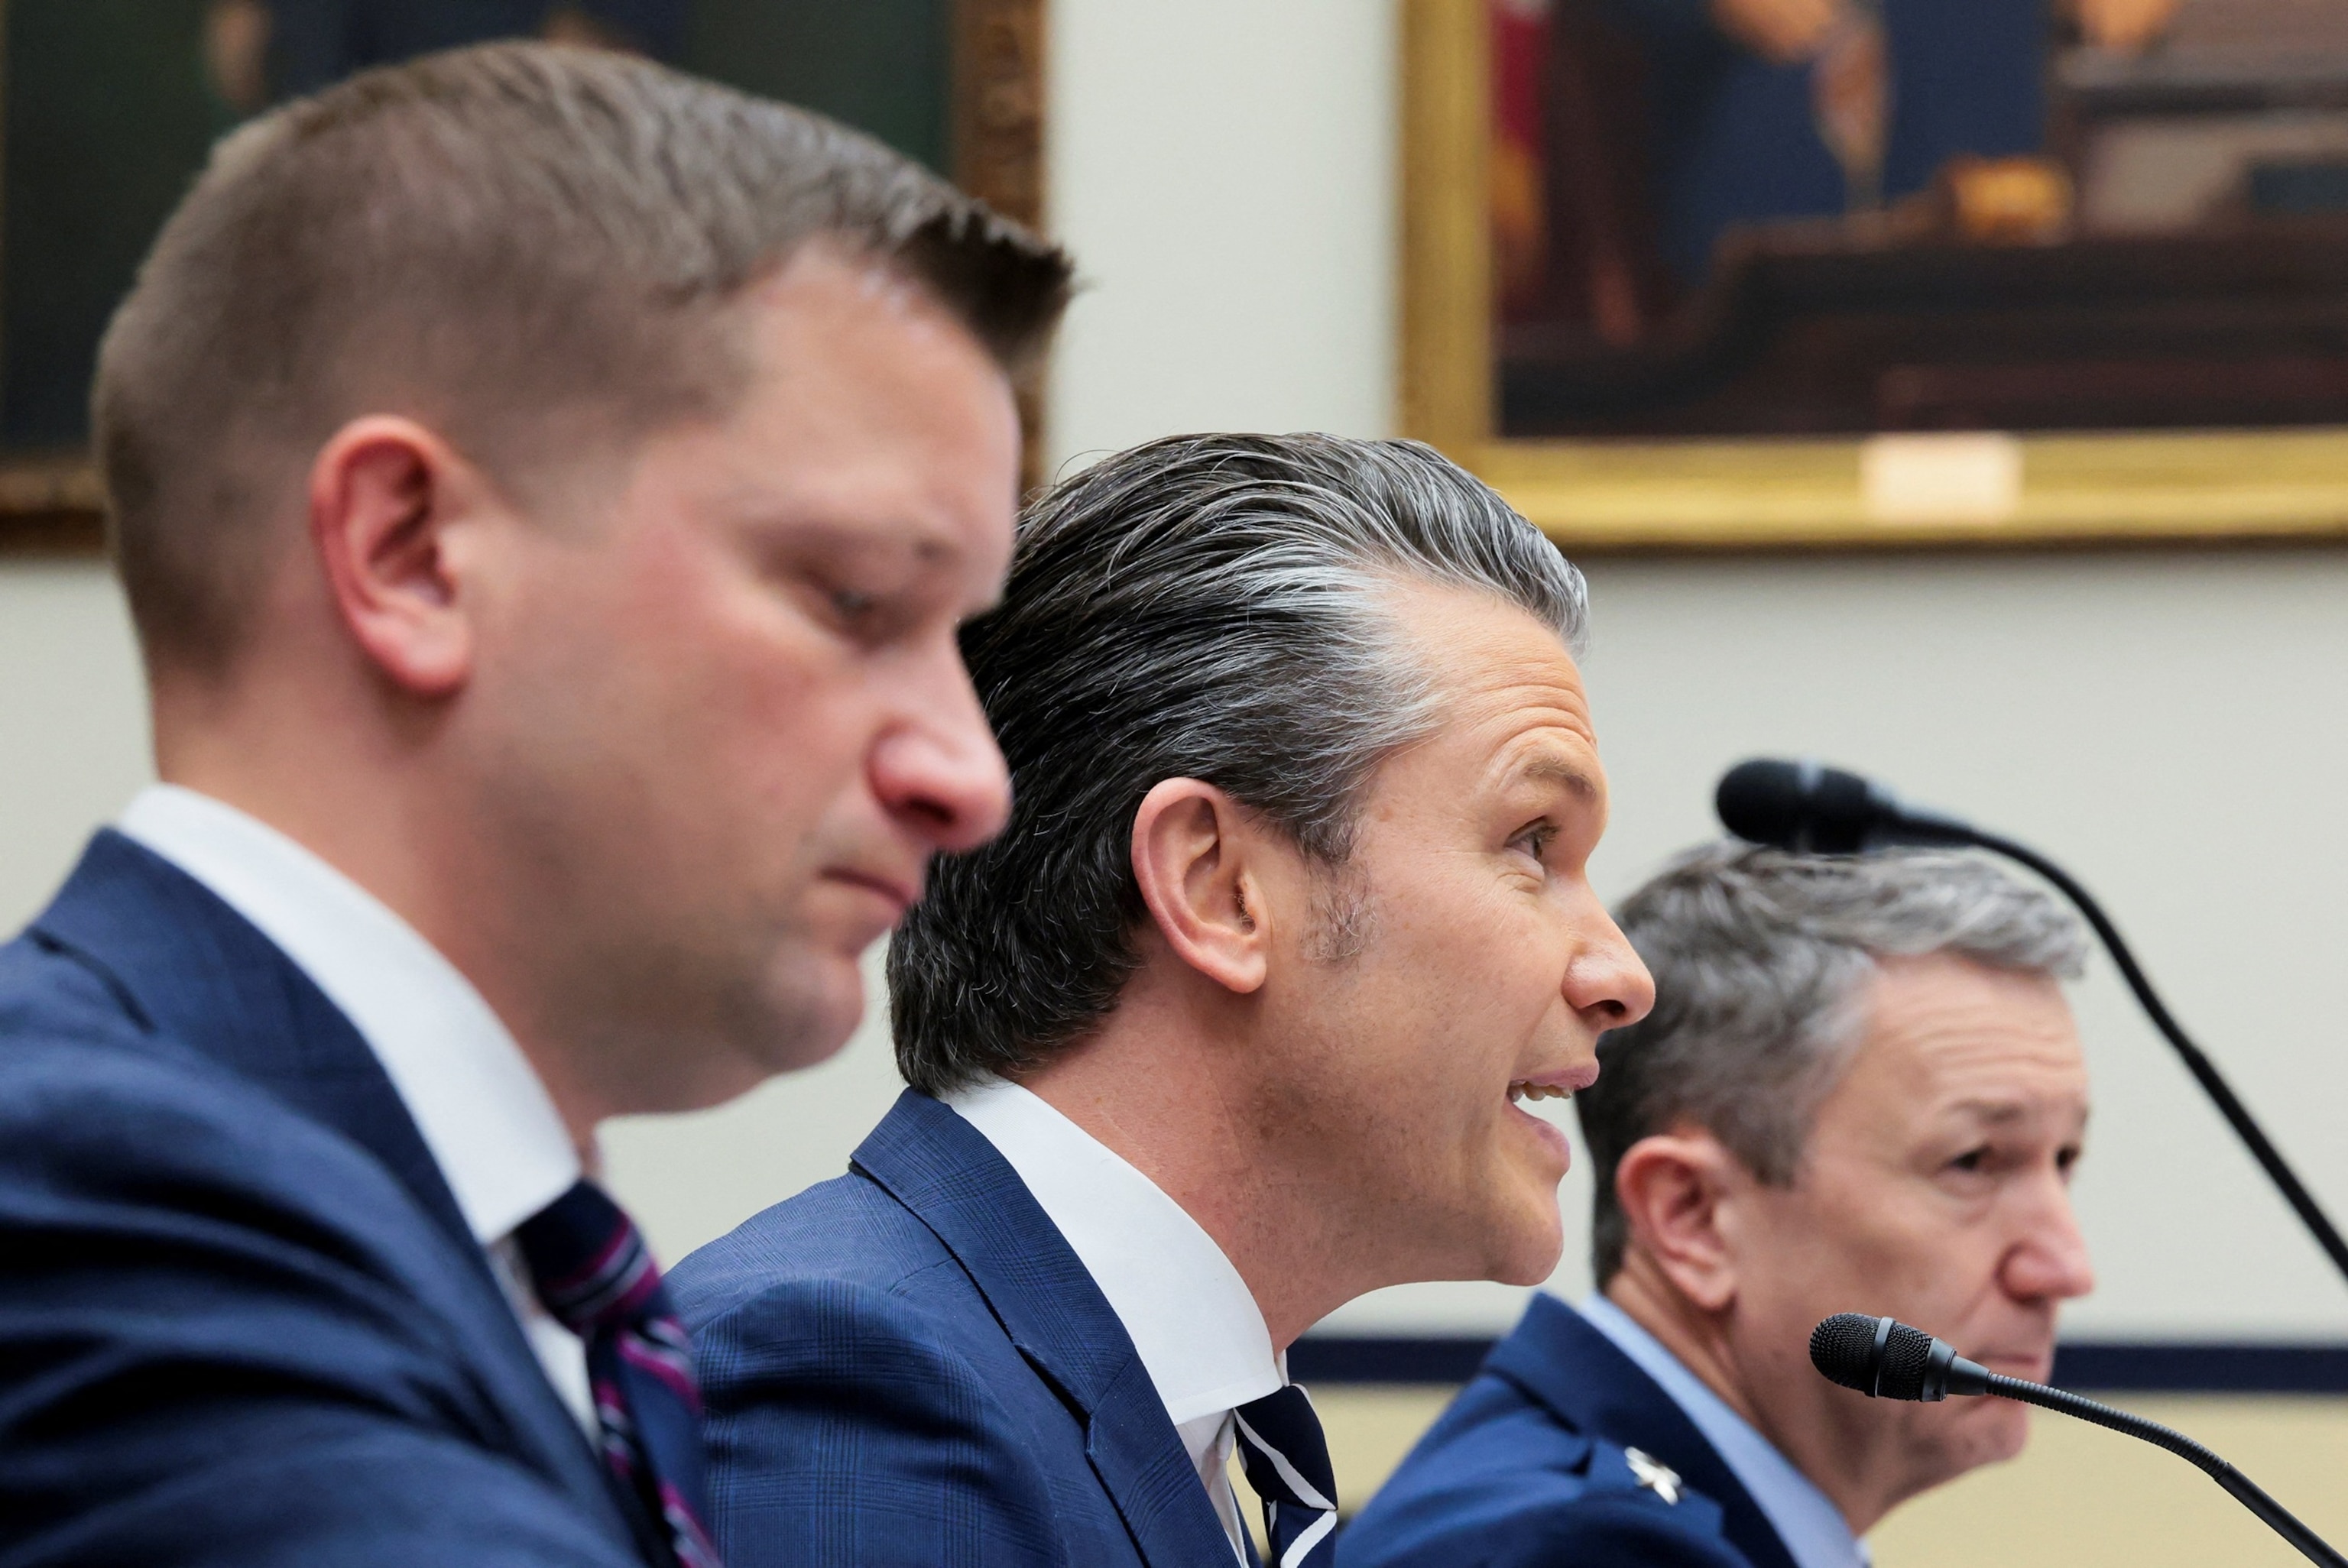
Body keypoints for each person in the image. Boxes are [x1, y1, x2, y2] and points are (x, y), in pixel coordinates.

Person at [0, 41, 1069, 1568]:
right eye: (853, 600)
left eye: (959, 648)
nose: (968, 780)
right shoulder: (104, 1205)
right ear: (412, 553)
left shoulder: (475, 1258)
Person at [666, 432, 1658, 1567]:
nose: (1621, 976)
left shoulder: (1158, 1415)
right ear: (1219, 888)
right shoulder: (854, 1386)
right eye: (1532, 843)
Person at [1341, 842, 2097, 1568]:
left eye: (2064, 1160)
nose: (2065, 1268)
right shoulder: (1581, 1547)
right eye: (1973, 1161)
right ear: (1694, 1217)